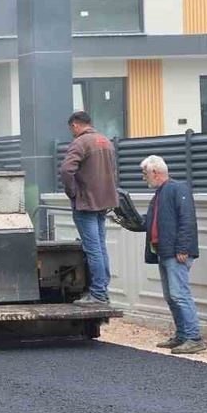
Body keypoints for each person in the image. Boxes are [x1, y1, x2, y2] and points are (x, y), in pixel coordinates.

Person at [140, 155, 204, 354]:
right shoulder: (162, 192)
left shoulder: (177, 189)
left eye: (145, 174)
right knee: (172, 296)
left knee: (179, 295)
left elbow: (187, 219)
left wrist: (183, 248)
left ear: (155, 173)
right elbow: (153, 222)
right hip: (165, 252)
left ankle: (193, 338)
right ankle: (183, 335)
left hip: (175, 253)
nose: (144, 178)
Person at [59, 110, 119, 305]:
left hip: (86, 203)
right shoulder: (105, 141)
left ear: (75, 125)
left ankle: (98, 294)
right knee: (100, 247)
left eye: (71, 129)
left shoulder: (80, 142)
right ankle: (103, 290)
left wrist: (73, 193)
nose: (72, 133)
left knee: (93, 249)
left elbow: (67, 170)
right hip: (104, 202)